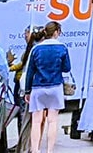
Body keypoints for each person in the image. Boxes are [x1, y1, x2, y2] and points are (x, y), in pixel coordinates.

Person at [22, 21, 71, 153]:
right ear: (56, 32)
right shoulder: (62, 48)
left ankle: (35, 149)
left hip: (38, 87)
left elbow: (30, 72)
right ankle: (49, 150)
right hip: (55, 86)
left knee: (36, 121)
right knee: (52, 121)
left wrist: (27, 91)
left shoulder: (36, 49)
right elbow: (67, 68)